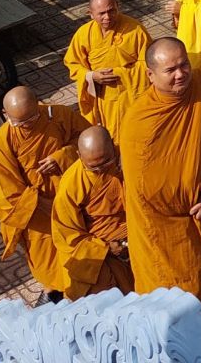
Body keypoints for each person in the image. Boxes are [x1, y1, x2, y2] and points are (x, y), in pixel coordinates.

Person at [117, 37, 201, 310]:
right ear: (150, 75)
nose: (180, 74)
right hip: (166, 229)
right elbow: (148, 192)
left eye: (184, 65)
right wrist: (200, 186)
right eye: (170, 70)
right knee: (181, 302)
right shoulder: (140, 122)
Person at [0, 86, 86, 300]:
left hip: (71, 197)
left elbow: (88, 141)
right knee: (47, 259)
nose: (27, 125)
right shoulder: (3, 141)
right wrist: (46, 206)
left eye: (32, 118)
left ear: (38, 105)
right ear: (5, 115)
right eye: (20, 123)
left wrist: (63, 156)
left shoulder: (59, 115)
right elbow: (7, 190)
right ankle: (52, 293)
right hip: (36, 211)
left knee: (78, 248)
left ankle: (81, 291)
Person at [52, 125, 133, 298]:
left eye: (107, 163)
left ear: (113, 145)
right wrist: (105, 248)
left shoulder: (130, 156)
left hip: (139, 233)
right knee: (107, 298)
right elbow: (68, 235)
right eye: (94, 168)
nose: (101, 170)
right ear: (79, 156)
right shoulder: (71, 185)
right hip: (103, 249)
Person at [62, 0, 150, 140]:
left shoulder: (135, 30)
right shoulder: (84, 34)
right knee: (104, 138)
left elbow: (149, 64)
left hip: (128, 97)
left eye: (111, 11)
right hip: (101, 98)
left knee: (132, 135)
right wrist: (91, 76)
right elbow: (73, 63)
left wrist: (120, 74)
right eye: (101, 13)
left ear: (118, 7)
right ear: (90, 13)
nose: (107, 17)